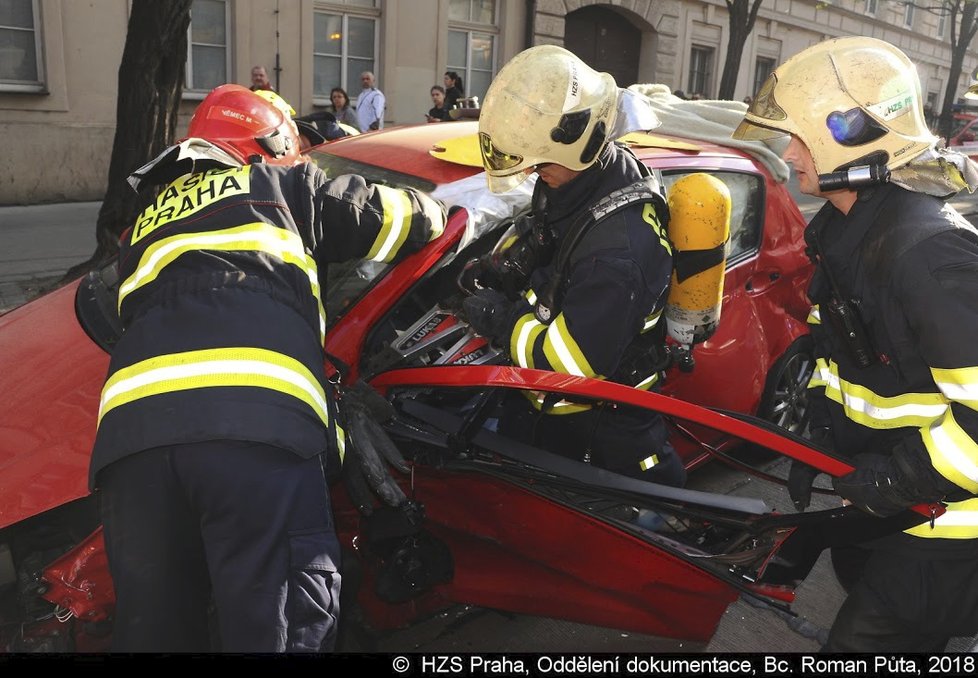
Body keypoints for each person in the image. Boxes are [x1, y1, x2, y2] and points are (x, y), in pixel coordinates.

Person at [91, 84, 445, 652]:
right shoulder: (281, 184)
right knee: (276, 624)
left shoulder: (144, 225)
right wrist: (447, 210)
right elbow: (401, 218)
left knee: (153, 630)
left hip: (129, 448)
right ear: (270, 145)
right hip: (254, 434)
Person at [734, 36, 978, 652]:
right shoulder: (850, 233)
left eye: (803, 137)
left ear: (858, 135)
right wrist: (816, 441)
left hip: (940, 531)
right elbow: (853, 369)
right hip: (884, 509)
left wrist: (901, 480)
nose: (790, 154)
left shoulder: (925, 255)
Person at [460, 45, 686, 487]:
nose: (531, 173)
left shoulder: (618, 253)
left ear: (578, 142)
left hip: (603, 433)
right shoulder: (582, 177)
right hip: (549, 418)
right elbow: (552, 248)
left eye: (539, 162)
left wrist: (500, 320)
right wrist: (498, 269)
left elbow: (564, 366)